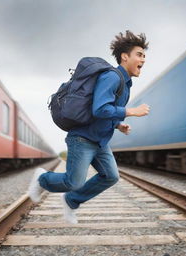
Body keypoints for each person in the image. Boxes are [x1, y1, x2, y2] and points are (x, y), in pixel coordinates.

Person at [28, 30, 150, 224]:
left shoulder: (125, 85)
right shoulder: (112, 77)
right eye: (139, 55)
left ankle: (71, 201)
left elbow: (106, 111)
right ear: (125, 56)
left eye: (144, 56)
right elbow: (100, 109)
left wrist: (118, 125)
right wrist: (130, 111)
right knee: (73, 182)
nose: (143, 59)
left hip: (99, 140)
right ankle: (42, 178)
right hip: (82, 138)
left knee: (110, 176)